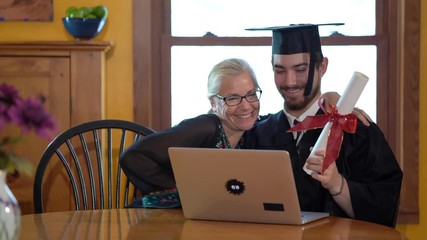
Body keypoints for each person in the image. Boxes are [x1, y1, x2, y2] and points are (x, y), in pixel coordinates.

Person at [244, 24, 403, 227]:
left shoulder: (356, 129)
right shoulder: (258, 133)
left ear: (322, 67)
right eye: (280, 70)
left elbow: (384, 205)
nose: (290, 81)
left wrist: (337, 184)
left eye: (300, 69)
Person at [120, 58, 263, 206]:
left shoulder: (254, 132)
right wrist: (187, 190)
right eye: (233, 98)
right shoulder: (204, 127)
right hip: (157, 217)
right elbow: (133, 157)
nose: (246, 106)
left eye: (251, 94)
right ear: (214, 103)